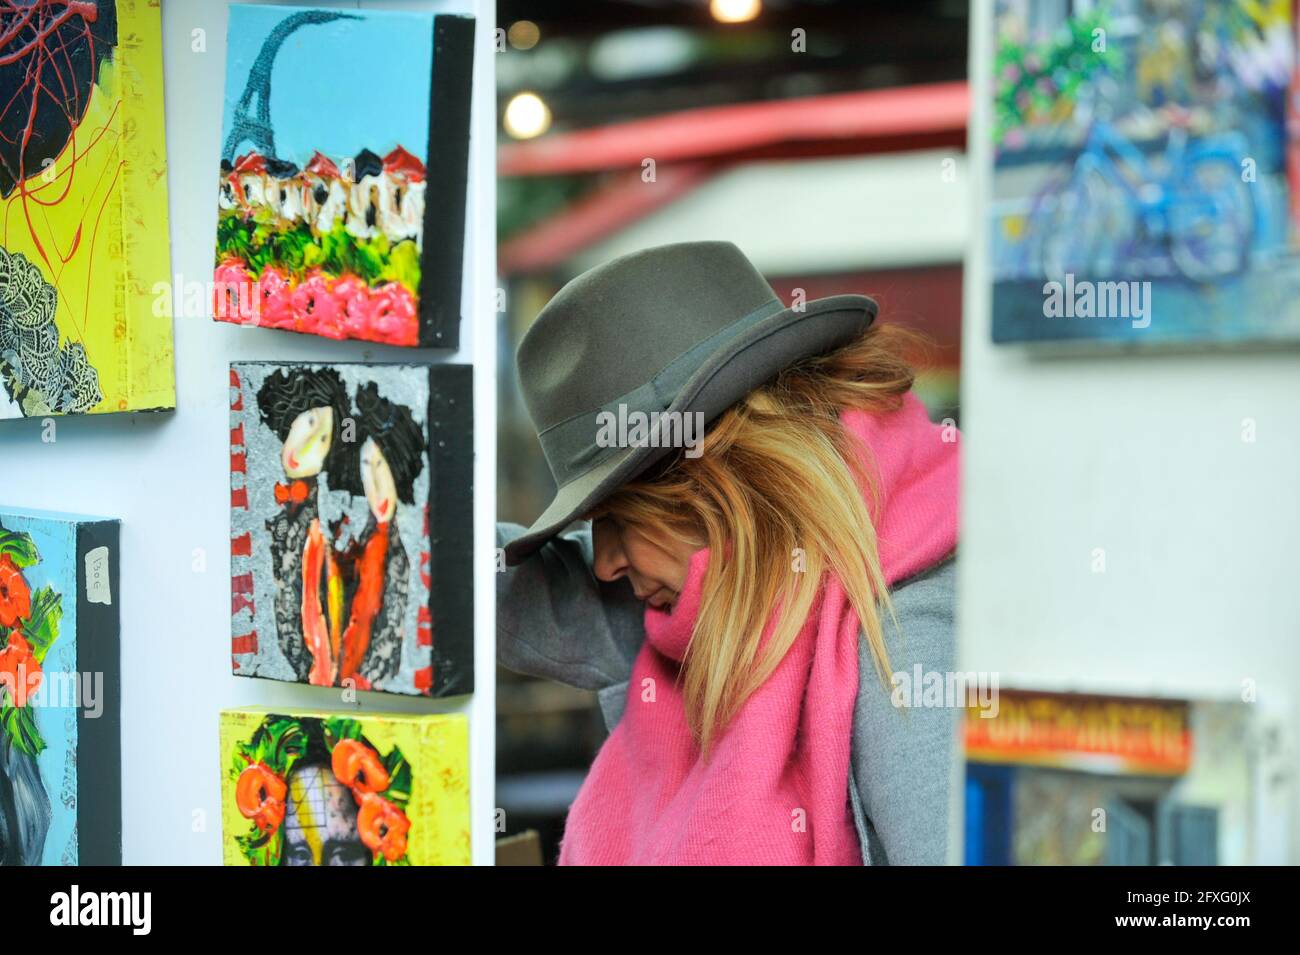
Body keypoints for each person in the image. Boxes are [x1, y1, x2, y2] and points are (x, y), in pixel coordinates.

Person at [498, 241, 960, 865]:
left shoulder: (906, 651)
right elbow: (482, 588)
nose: (602, 562)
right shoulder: (718, 598)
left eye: (616, 519)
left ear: (716, 488)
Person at [256, 368, 351, 685]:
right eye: (309, 424)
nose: (308, 446)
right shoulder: (264, 500)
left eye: (323, 438)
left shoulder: (319, 521)